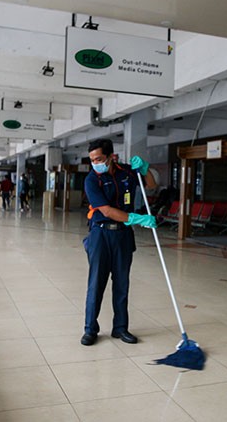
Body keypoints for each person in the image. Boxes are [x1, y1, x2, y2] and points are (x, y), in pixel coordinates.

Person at [80, 139, 156, 346]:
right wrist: (136, 219)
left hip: (123, 235)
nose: (95, 163)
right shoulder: (91, 180)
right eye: (92, 160)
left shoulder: (128, 172)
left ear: (111, 156)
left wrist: (145, 168)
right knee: (96, 283)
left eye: (99, 159)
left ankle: (120, 328)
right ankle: (90, 329)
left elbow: (151, 184)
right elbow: (106, 210)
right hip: (100, 235)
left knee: (122, 283)